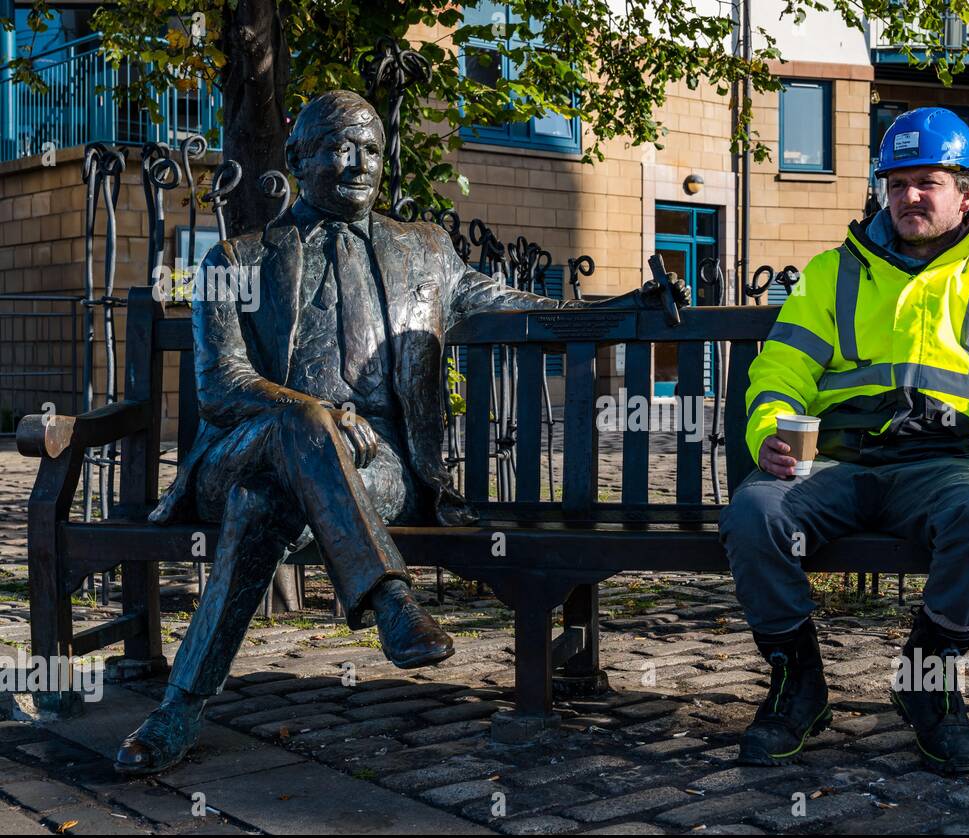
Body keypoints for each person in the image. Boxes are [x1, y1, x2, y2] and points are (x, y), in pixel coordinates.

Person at [115, 89, 688, 775]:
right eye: (339, 146)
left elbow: (529, 311)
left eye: (372, 149)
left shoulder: (425, 251)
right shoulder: (234, 261)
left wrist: (627, 309)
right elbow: (221, 386)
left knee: (262, 505)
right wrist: (314, 412)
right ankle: (390, 598)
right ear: (298, 157)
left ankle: (180, 707)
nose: (359, 163)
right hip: (246, 447)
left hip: (377, 467)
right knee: (293, 433)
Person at [719, 107, 969, 773]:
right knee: (755, 513)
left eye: (926, 181)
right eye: (895, 184)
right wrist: (768, 431)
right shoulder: (830, 273)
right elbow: (780, 370)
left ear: (966, 192)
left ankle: (927, 682)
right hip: (834, 461)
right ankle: (799, 684)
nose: (908, 197)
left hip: (941, 462)